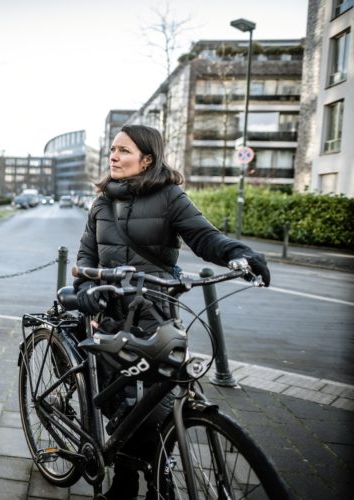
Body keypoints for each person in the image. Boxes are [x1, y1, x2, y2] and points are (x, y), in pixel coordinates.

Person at [74, 124, 270, 500]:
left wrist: (238, 253)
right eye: (112, 150)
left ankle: (157, 479)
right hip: (110, 312)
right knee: (120, 401)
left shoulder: (169, 197)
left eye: (124, 151)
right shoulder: (101, 203)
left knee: (158, 400)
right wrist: (85, 289)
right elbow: (86, 256)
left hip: (155, 312)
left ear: (147, 159)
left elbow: (203, 236)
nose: (113, 156)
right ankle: (125, 480)